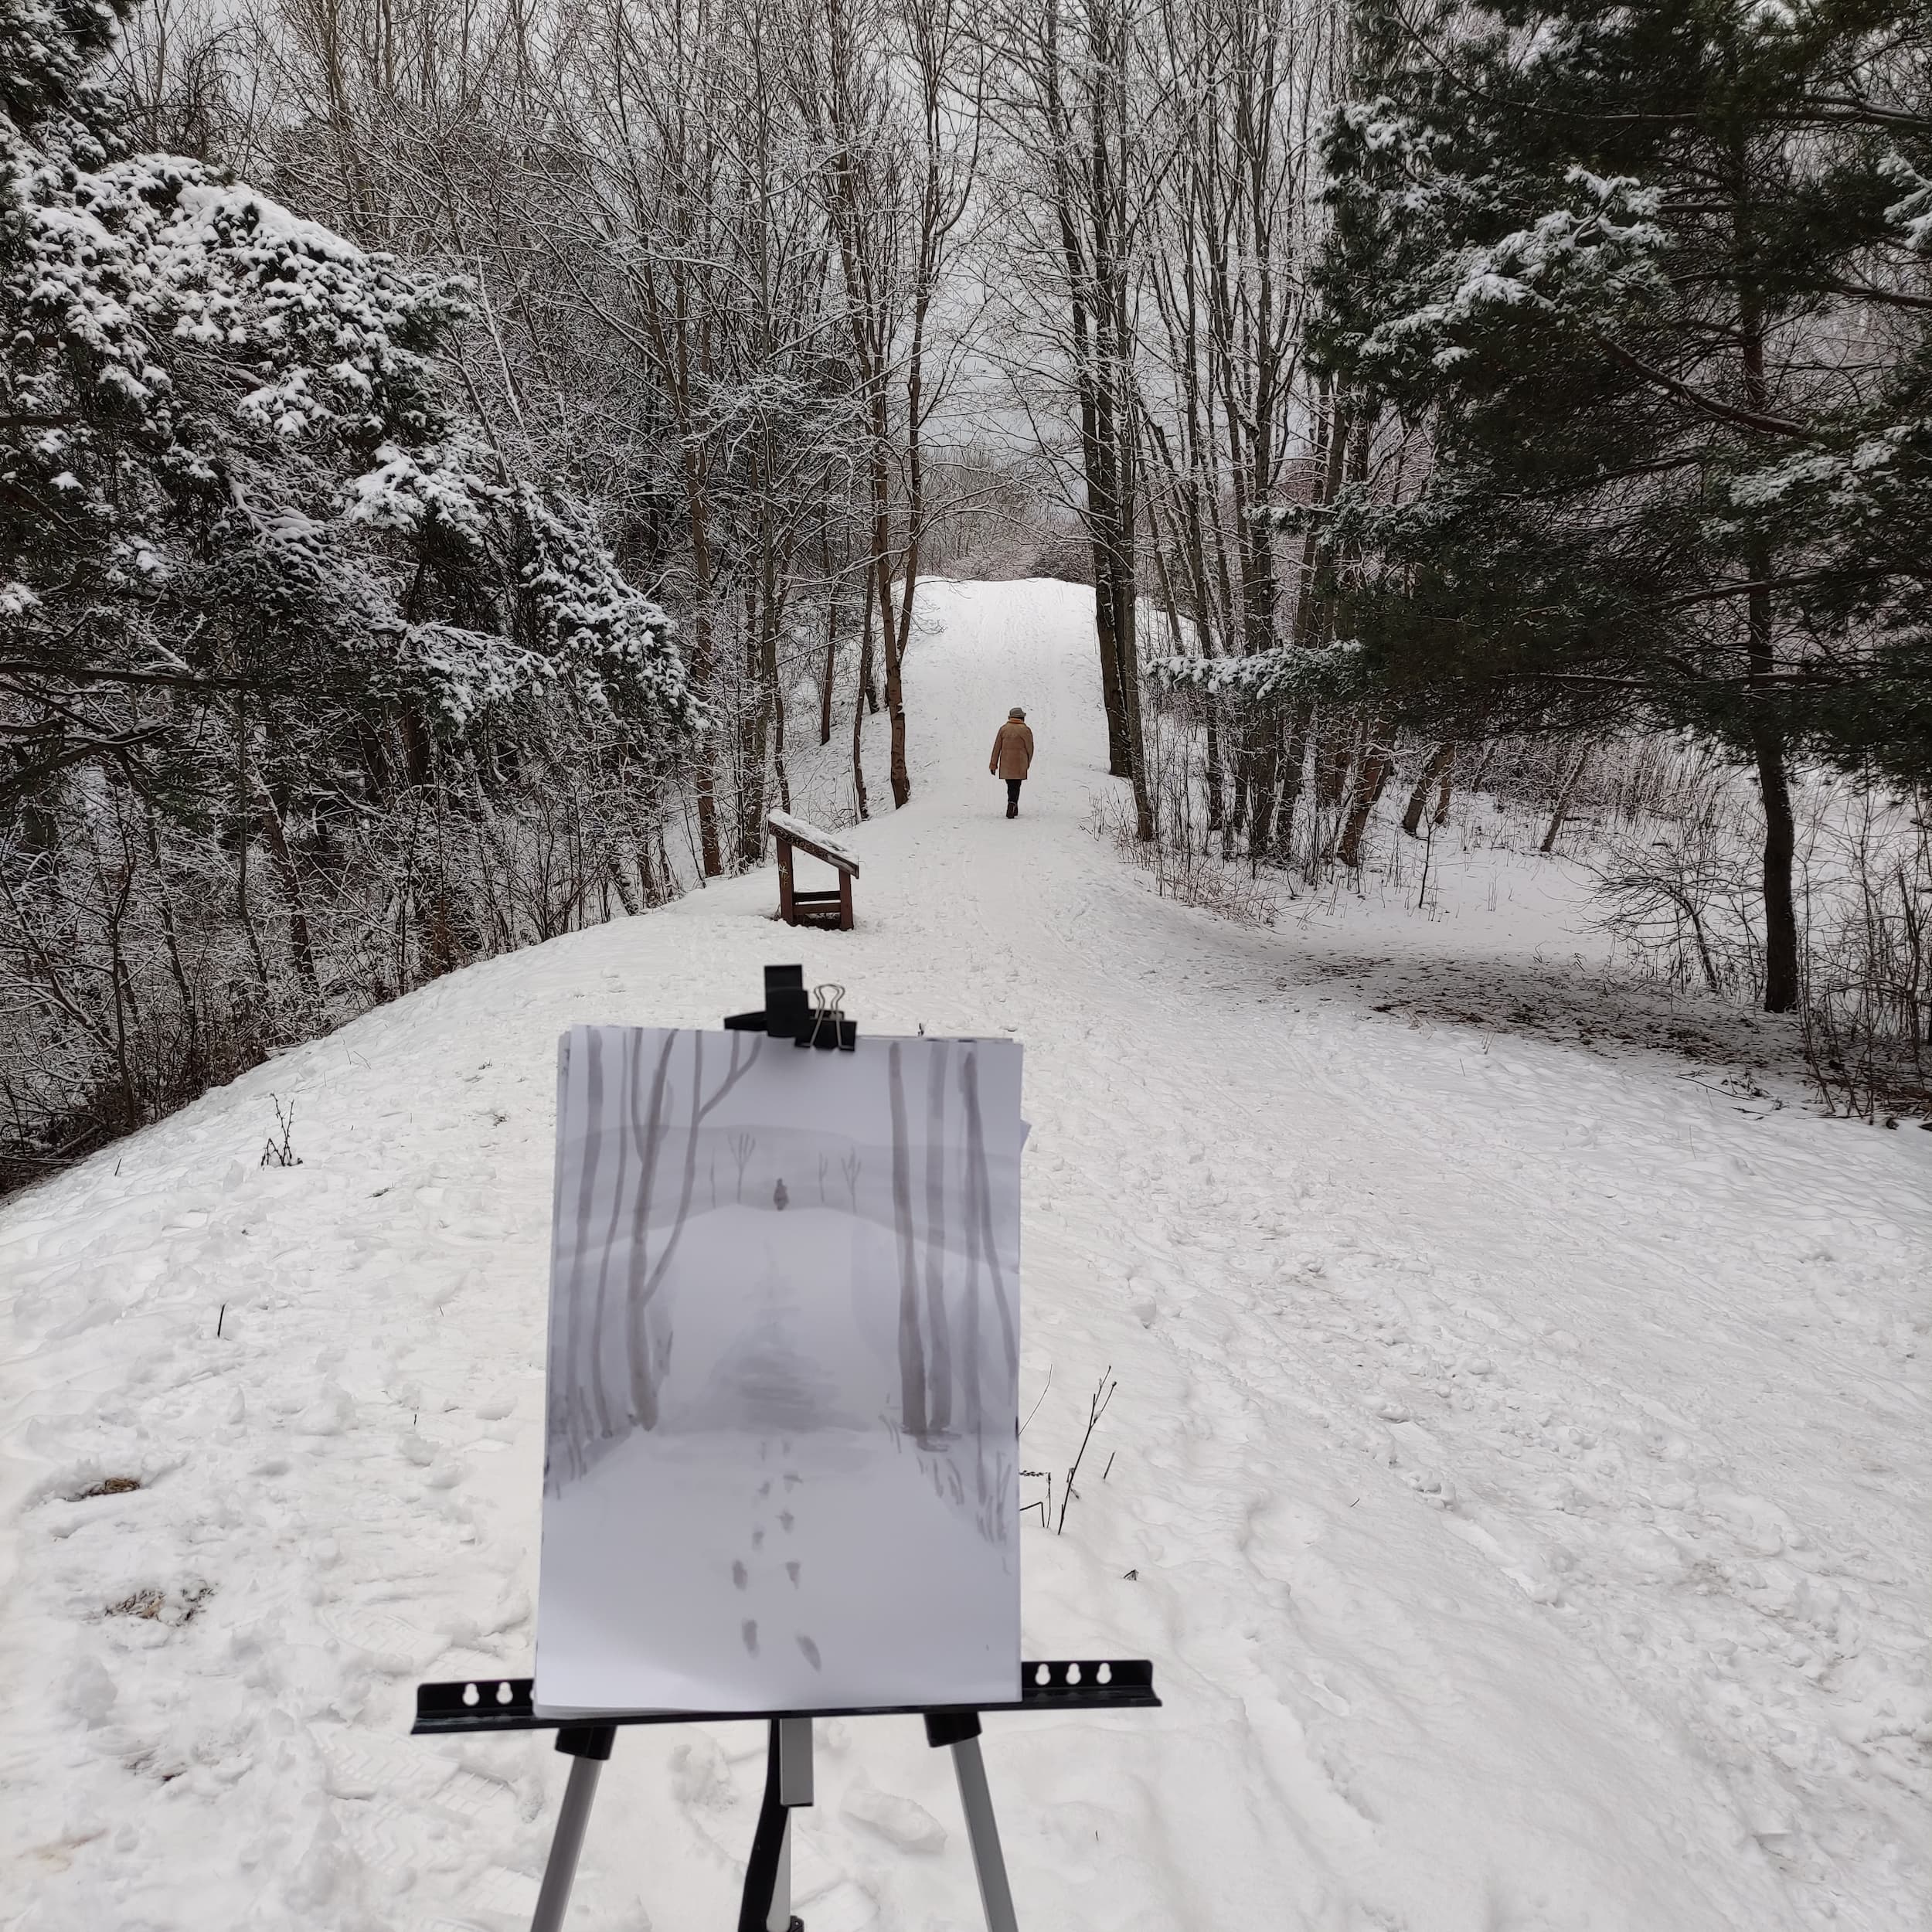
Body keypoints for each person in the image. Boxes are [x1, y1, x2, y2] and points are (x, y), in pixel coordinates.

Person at [989, 706, 1034, 818]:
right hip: (1020, 762)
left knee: (1011, 785)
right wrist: (1027, 762)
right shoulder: (1025, 730)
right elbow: (1030, 748)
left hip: (1006, 763)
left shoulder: (1004, 729)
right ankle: (1012, 804)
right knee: (1016, 785)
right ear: (1021, 717)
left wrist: (993, 764)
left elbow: (997, 748)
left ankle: (1013, 805)